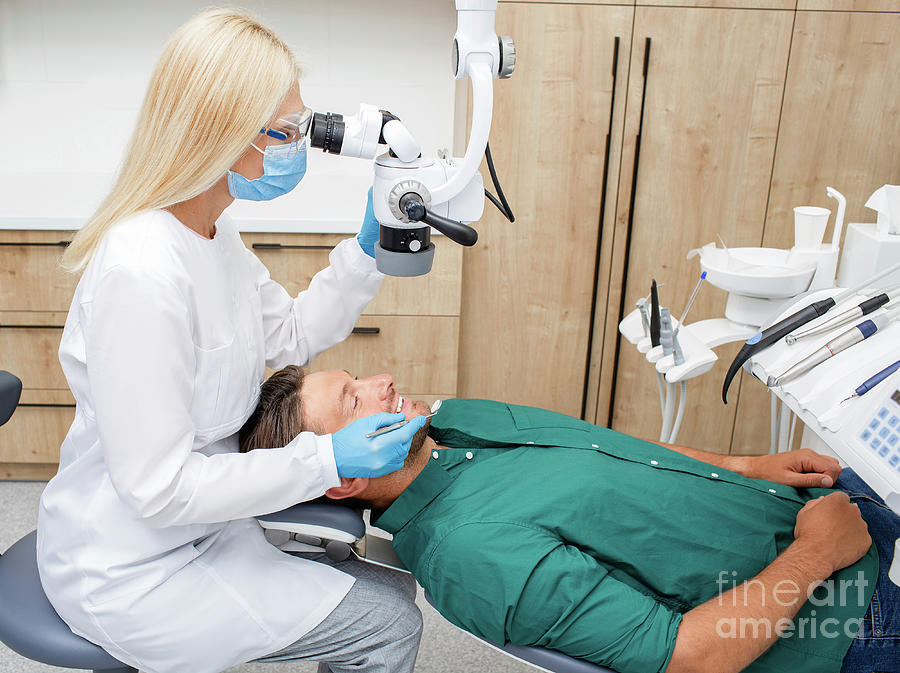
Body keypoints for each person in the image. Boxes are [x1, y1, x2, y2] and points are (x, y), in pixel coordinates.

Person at [36, 10, 427, 673]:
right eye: (286, 132)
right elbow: (157, 491)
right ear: (221, 134)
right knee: (389, 622)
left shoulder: (214, 235)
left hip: (206, 527)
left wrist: (366, 252)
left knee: (393, 585)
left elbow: (297, 333)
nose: (296, 147)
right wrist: (324, 459)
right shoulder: (143, 270)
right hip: (131, 567)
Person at [240, 366, 900, 673]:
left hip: (806, 509)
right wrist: (819, 553)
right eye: (353, 399)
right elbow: (692, 656)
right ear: (345, 476)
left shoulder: (451, 420)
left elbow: (612, 453)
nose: (381, 379)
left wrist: (748, 465)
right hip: (839, 620)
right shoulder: (470, 554)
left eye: (356, 375)